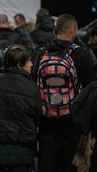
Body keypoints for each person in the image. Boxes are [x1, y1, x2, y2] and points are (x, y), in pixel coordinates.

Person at [33, 13, 95, 172]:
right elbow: (90, 88)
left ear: (55, 29)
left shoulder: (41, 53)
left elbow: (34, 83)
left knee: (47, 164)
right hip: (71, 122)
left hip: (46, 122)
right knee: (68, 165)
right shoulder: (81, 54)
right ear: (74, 29)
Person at [0, 44, 41, 172]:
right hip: (22, 150)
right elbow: (37, 117)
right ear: (18, 64)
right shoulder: (32, 88)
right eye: (28, 60)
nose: (32, 64)